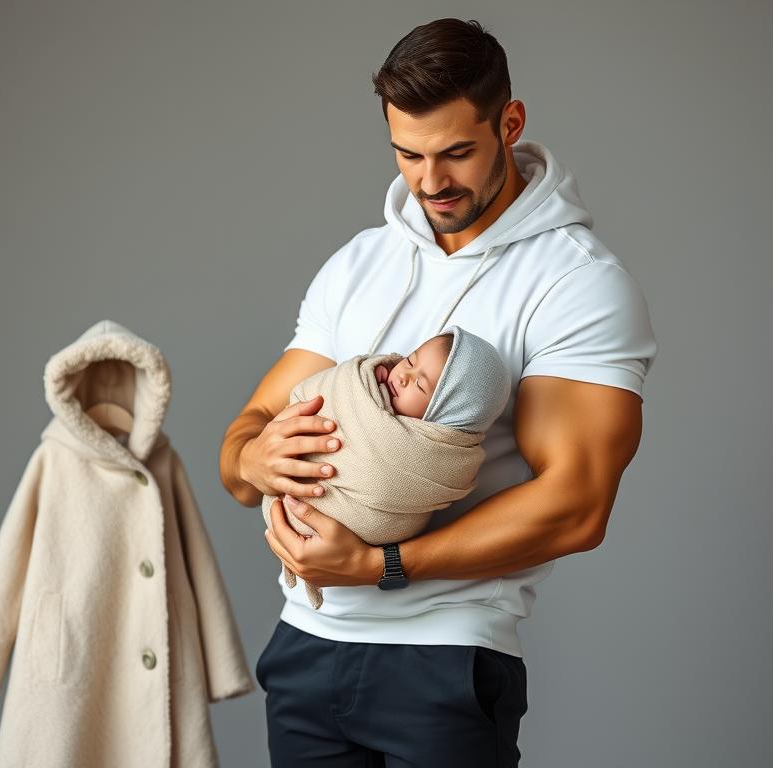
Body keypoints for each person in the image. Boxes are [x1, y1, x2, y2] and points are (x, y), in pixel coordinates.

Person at [219, 17, 658, 767]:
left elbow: (578, 506)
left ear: (509, 123)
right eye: (409, 154)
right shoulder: (359, 263)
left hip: (443, 655)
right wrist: (256, 461)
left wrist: (381, 566)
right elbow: (244, 443)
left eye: (456, 151)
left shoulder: (576, 283)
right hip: (306, 642)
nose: (430, 181)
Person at [260, 325, 512, 610]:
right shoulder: (367, 376)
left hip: (439, 620)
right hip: (304, 618)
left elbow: (384, 483)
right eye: (410, 361)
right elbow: (319, 392)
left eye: (420, 385)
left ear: (447, 418)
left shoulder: (438, 458)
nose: (403, 376)